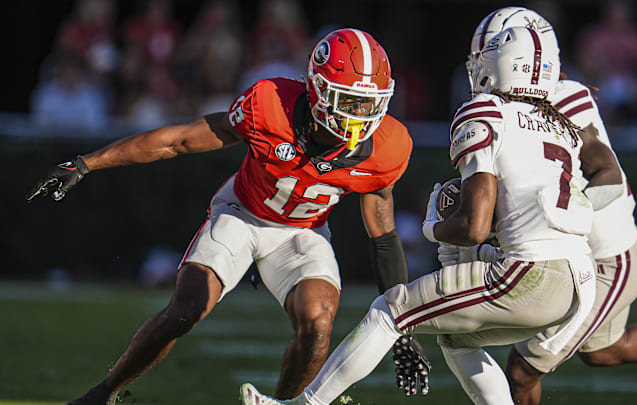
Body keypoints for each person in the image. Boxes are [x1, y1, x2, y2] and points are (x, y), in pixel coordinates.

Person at [27, 28, 428, 404]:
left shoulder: (388, 148)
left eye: (369, 103)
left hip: (303, 232)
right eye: (350, 101)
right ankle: (104, 393)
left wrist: (402, 328)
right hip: (243, 213)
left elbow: (384, 237)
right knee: (186, 309)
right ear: (319, 89)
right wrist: (87, 163)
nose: (361, 114)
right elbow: (179, 141)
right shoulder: (270, 105)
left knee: (318, 327)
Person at [238, 25, 624, 405]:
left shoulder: (486, 112)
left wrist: (432, 228)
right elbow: (609, 176)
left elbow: (473, 228)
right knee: (456, 339)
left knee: (390, 310)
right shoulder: (560, 123)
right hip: (580, 281)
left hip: (528, 273)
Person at [453, 7, 637, 405]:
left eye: (492, 52)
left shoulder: (564, 96)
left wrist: (551, 222)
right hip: (584, 254)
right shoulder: (511, 106)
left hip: (607, 256)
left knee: (523, 369)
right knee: (603, 351)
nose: (483, 64)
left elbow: (607, 176)